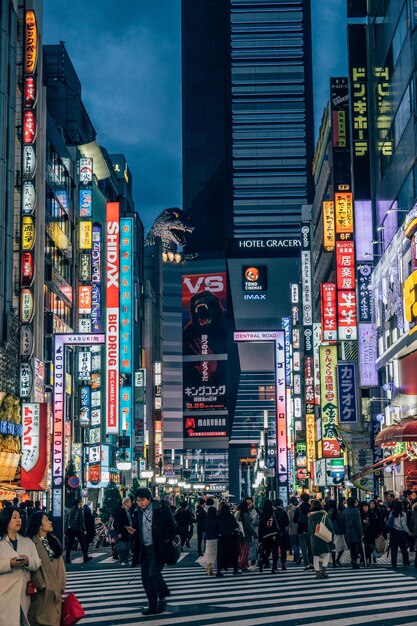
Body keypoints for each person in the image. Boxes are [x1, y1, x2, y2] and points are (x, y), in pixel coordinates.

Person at [132, 488, 176, 616]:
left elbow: (172, 527)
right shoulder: (138, 512)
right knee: (145, 579)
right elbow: (138, 528)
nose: (140, 503)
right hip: (144, 548)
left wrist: (166, 540)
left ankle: (163, 594)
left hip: (158, 548)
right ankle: (153, 606)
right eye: (138, 501)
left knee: (153, 574)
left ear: (149, 498)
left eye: (142, 500)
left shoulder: (161, 509)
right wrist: (133, 531)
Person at [0, 507, 41, 626]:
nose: (18, 520)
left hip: (24, 594)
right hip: (4, 594)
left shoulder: (27, 541)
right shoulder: (1, 542)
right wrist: (9, 564)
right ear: (6, 520)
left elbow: (37, 562)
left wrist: (28, 561)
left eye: (19, 517)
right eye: (14, 517)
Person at [26, 511, 66, 626]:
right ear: (39, 524)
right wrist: (42, 585)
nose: (50, 522)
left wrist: (61, 585)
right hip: (42, 593)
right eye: (46, 520)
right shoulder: (31, 543)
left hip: (56, 592)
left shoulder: (53, 541)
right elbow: (32, 568)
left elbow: (60, 566)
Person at [308, 500, 334, 579]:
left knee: (315, 555)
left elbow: (309, 529)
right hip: (324, 537)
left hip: (314, 538)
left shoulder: (310, 517)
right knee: (327, 553)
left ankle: (317, 573)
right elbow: (330, 527)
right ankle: (324, 570)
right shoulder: (324, 515)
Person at [216, 503, 240, 577]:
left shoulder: (218, 517)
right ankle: (235, 569)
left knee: (221, 554)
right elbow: (236, 525)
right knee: (233, 553)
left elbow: (216, 527)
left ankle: (219, 570)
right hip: (230, 537)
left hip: (221, 538)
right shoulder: (231, 516)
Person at [386, 499, 411, 568]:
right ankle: (405, 561)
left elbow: (389, 522)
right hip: (401, 533)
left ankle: (394, 563)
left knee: (394, 548)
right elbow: (404, 525)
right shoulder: (403, 514)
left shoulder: (392, 513)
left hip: (393, 532)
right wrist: (408, 531)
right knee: (403, 548)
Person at [65, 499, 91, 564]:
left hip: (70, 529)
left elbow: (66, 520)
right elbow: (81, 521)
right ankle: (85, 557)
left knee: (69, 544)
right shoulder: (80, 510)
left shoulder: (69, 511)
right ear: (78, 503)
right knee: (82, 543)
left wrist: (66, 528)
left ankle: (67, 559)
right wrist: (84, 529)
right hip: (77, 530)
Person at [258, 499, 281, 573]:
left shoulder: (262, 514)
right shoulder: (274, 512)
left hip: (265, 535)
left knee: (267, 551)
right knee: (275, 551)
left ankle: (262, 561)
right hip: (274, 534)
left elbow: (260, 526)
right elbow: (279, 522)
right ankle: (274, 567)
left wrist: (260, 537)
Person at [342, 496, 363, 569]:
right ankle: (354, 561)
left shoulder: (344, 511)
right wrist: (361, 534)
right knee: (356, 546)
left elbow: (343, 523)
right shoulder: (356, 511)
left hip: (347, 531)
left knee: (351, 547)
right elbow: (358, 523)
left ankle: (353, 560)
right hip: (355, 531)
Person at [293, 493, 313, 570]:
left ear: (301, 499)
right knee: (310, 547)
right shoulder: (311, 508)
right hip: (310, 529)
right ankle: (311, 562)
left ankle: (307, 564)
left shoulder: (298, 509)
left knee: (303, 548)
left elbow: (295, 520)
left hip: (301, 530)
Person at [236, 500, 257, 572]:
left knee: (242, 550)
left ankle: (242, 564)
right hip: (245, 535)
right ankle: (243, 564)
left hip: (239, 534)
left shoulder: (238, 513)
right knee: (245, 550)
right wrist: (254, 533)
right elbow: (248, 526)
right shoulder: (245, 514)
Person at [114, 497, 136, 566]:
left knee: (128, 545)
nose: (131, 503)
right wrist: (119, 532)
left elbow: (131, 520)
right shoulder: (120, 511)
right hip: (123, 530)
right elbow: (117, 523)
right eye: (129, 502)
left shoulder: (129, 510)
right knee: (123, 546)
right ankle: (123, 560)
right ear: (125, 503)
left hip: (129, 530)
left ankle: (125, 560)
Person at [326, 499, 346, 567]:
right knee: (342, 547)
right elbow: (341, 522)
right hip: (338, 532)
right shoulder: (337, 512)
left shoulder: (328, 512)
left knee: (333, 548)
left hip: (331, 532)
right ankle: (337, 560)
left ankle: (334, 562)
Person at [359, 501, 380, 565]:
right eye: (364, 507)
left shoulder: (372, 513)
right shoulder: (360, 514)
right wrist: (363, 522)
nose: (365, 508)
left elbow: (376, 523)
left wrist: (378, 532)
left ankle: (367, 558)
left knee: (371, 547)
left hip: (371, 533)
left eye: (366, 506)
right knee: (364, 547)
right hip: (363, 533)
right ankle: (364, 559)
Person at [201, 504, 218, 575]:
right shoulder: (216, 520)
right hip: (214, 537)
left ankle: (208, 567)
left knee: (208, 552)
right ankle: (210, 569)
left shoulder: (206, 519)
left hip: (208, 538)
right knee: (213, 554)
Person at [246, 497, 259, 568]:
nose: (249, 505)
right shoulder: (244, 511)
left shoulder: (255, 511)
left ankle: (253, 560)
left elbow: (257, 521)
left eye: (250, 503)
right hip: (247, 532)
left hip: (254, 530)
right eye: (247, 503)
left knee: (254, 545)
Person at [287, 496, 301, 564]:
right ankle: (295, 558)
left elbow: (289, 522)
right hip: (299, 529)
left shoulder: (290, 512)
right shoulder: (300, 510)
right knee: (297, 544)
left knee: (293, 544)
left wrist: (286, 529)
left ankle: (297, 555)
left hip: (292, 529)